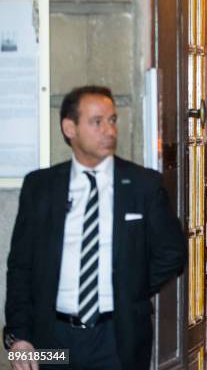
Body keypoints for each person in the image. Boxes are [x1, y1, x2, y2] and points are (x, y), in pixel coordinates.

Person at [4, 86, 187, 370]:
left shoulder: (143, 184)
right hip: (51, 340)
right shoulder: (40, 186)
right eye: (97, 121)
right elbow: (20, 267)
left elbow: (172, 253)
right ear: (69, 128)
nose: (109, 130)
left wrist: (128, 288)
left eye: (112, 120)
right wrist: (18, 340)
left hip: (116, 339)